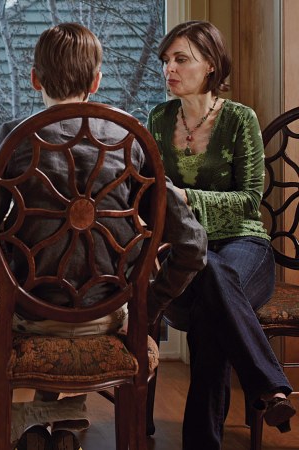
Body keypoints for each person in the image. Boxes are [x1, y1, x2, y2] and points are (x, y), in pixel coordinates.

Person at [0, 23, 207, 450]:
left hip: (27, 317)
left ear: (34, 79)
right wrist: (146, 310)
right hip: (105, 318)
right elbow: (193, 246)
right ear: (96, 82)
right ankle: (65, 421)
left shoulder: (16, 137)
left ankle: (33, 422)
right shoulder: (129, 140)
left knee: (12, 290)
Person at [146, 20, 294, 450]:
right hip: (189, 252)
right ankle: (271, 388)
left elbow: (250, 201)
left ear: (210, 65)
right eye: (165, 61)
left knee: (211, 275)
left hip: (246, 246)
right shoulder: (158, 118)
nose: (168, 69)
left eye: (181, 60)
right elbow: (150, 195)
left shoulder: (239, 118)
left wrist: (185, 198)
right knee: (210, 292)